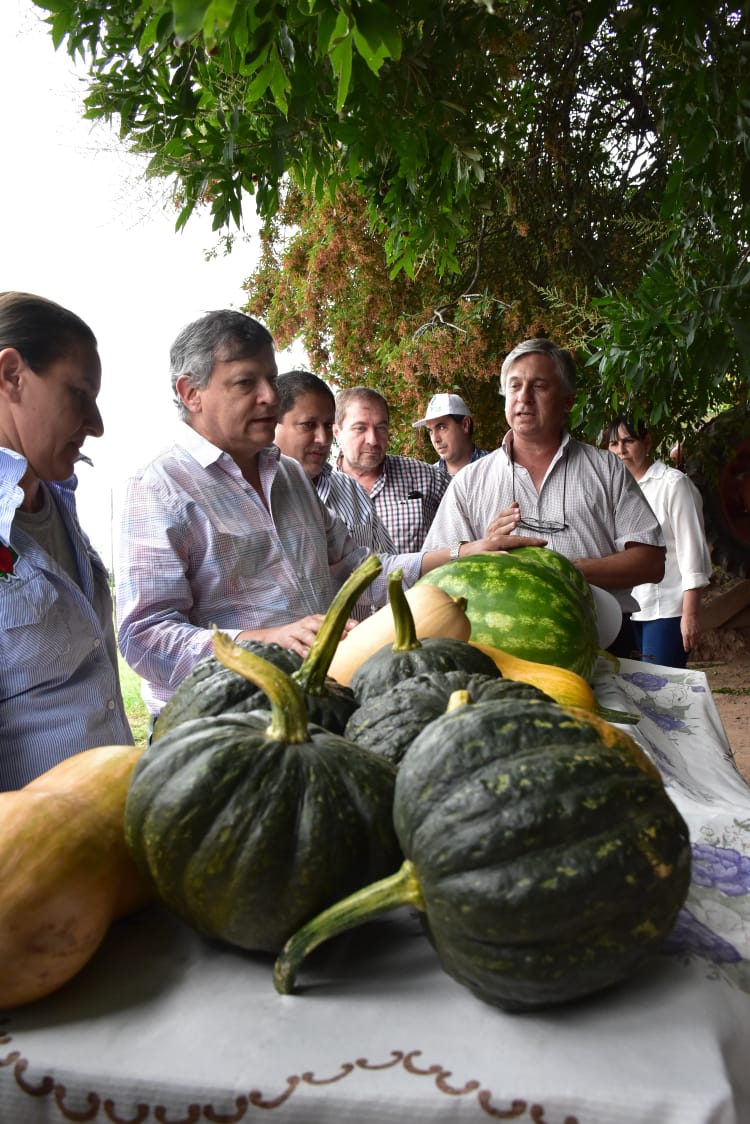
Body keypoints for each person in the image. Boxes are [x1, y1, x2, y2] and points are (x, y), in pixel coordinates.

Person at [117, 315, 519, 717]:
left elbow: (359, 572)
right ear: (191, 393)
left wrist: (463, 553)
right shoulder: (159, 488)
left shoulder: (289, 475)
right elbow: (144, 637)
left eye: (271, 380)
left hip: (320, 704)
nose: (270, 398)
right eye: (245, 383)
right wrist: (267, 641)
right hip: (223, 726)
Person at [423, 338, 666, 618]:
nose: (523, 397)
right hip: (501, 644)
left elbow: (651, 561)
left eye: (538, 386)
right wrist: (476, 550)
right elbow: (432, 565)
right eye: (514, 386)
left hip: (604, 639)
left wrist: (566, 570)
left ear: (567, 400)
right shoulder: (469, 481)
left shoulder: (606, 468)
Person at [0, 291, 133, 789]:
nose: (96, 425)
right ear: (11, 374)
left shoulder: (58, 500)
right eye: (79, 394)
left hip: (111, 827)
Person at [274, 369, 526, 618]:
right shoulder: (245, 496)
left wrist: (468, 548)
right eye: (360, 428)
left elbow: (374, 571)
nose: (322, 438)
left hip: (382, 634)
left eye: (381, 428)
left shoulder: (411, 479)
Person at [606, 414, 712, 667]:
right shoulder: (613, 490)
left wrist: (690, 614)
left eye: (628, 440)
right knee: (635, 694)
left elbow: (693, 553)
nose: (621, 450)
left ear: (647, 442)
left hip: (666, 611)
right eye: (613, 444)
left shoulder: (673, 485)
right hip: (625, 611)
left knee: (662, 693)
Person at [333, 386, 449, 553]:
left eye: (381, 428)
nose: (373, 440)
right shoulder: (320, 493)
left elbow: (470, 510)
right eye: (360, 428)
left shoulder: (427, 477)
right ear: (337, 431)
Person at [412, 392, 490, 477]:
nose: (435, 439)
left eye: (441, 427)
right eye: (430, 431)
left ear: (465, 425)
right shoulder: (430, 479)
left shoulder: (496, 467)